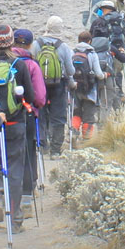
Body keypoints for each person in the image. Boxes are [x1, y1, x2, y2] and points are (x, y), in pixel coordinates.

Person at [0, 24, 42, 232]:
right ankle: (16, 219)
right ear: (11, 42)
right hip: (16, 124)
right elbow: (32, 97)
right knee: (15, 168)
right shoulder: (20, 64)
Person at [6, 28, 50, 214]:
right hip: (27, 114)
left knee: (6, 154)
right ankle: (25, 198)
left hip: (2, 115)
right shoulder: (32, 65)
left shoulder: (4, 62)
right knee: (28, 152)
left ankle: (1, 195)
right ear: (30, 44)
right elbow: (39, 97)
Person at [33, 16, 74, 154]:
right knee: (58, 115)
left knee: (41, 113)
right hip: (58, 84)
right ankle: (56, 149)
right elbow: (70, 70)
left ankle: (42, 145)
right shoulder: (63, 46)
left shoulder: (36, 44)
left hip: (39, 84)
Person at [69, 32, 108, 140]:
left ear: (78, 40)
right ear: (90, 41)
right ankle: (86, 140)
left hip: (75, 88)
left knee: (76, 112)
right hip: (89, 90)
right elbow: (99, 74)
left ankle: (74, 131)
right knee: (89, 116)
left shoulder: (72, 52)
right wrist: (105, 75)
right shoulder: (92, 54)